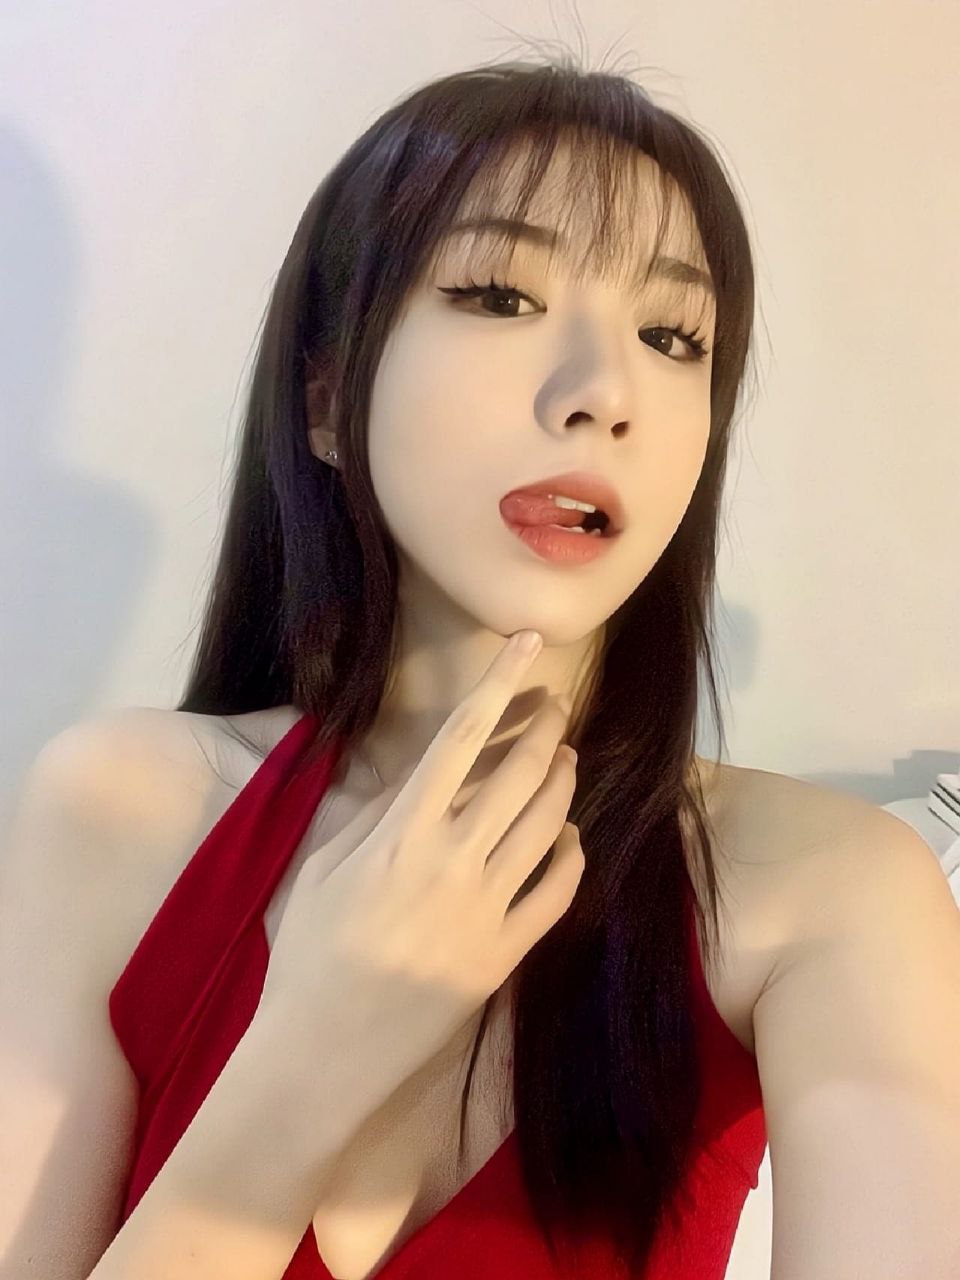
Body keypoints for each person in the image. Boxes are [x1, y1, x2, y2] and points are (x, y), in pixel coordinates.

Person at [4, 49, 958, 1280]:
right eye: (502, 296)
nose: (604, 392)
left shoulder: (826, 894)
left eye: (673, 335)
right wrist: (304, 1064)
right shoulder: (120, 807)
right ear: (328, 400)